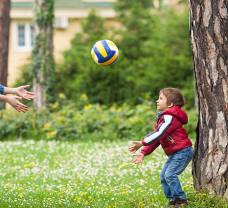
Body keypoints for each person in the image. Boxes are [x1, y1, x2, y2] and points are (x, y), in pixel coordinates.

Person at [129, 88, 193, 207]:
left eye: (161, 98)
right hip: (176, 153)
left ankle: (181, 200)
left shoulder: (170, 117)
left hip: (183, 151)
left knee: (170, 175)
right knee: (164, 176)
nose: (157, 101)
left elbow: (159, 133)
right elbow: (158, 137)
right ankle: (173, 200)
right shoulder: (164, 118)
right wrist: (143, 152)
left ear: (170, 104)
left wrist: (142, 142)